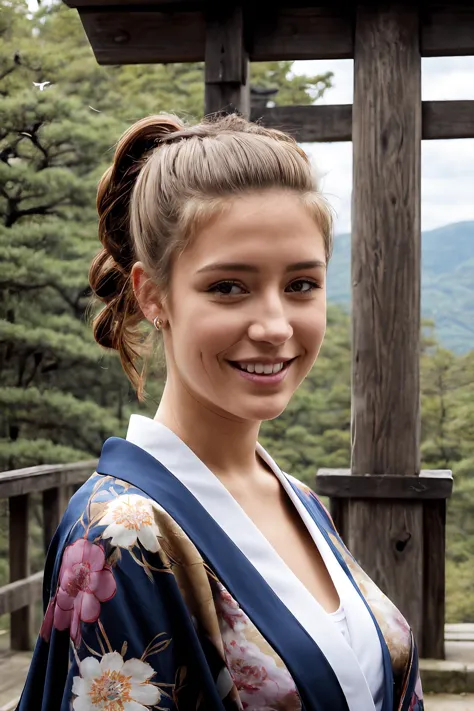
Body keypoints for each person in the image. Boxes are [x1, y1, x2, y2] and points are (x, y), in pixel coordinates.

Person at [18, 114, 423, 711]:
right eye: (228, 287)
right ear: (153, 294)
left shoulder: (296, 498)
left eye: (302, 285)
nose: (276, 326)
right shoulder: (121, 532)